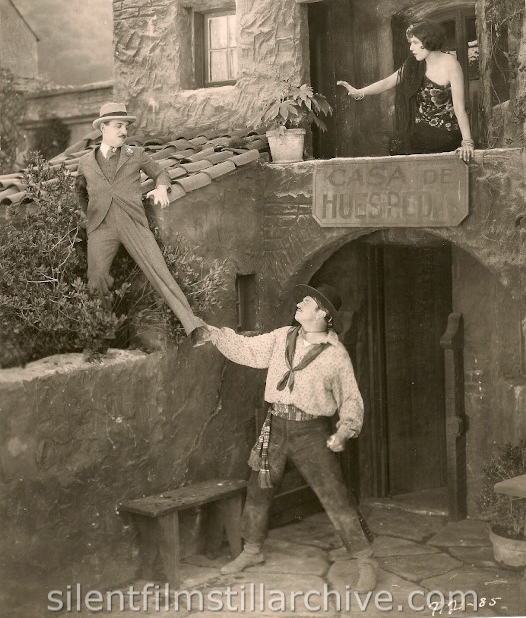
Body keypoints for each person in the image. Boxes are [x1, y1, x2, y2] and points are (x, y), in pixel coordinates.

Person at [203, 283, 378, 592]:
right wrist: (215, 334)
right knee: (258, 487)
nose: (299, 303)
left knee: (333, 493)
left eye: (306, 301)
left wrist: (343, 431)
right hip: (276, 425)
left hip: (311, 432)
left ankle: (365, 560)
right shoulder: (283, 336)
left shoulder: (335, 355)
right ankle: (252, 550)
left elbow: (351, 398)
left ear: (322, 313)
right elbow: (248, 350)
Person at [76, 102, 209, 347]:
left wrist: (160, 187)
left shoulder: (135, 154)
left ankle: (194, 327)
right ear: (103, 127)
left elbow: (161, 173)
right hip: (101, 226)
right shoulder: (85, 162)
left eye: (125, 127)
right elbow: (79, 191)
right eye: (118, 126)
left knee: (159, 272)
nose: (124, 131)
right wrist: (89, 218)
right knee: (96, 278)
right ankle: (103, 336)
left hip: (132, 222)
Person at [337, 20, 475, 161]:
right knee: (397, 148)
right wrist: (360, 92)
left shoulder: (451, 64)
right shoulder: (414, 63)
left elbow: (459, 107)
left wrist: (467, 143)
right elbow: (389, 81)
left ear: (428, 40)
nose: (411, 48)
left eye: (415, 42)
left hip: (446, 134)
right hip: (420, 131)